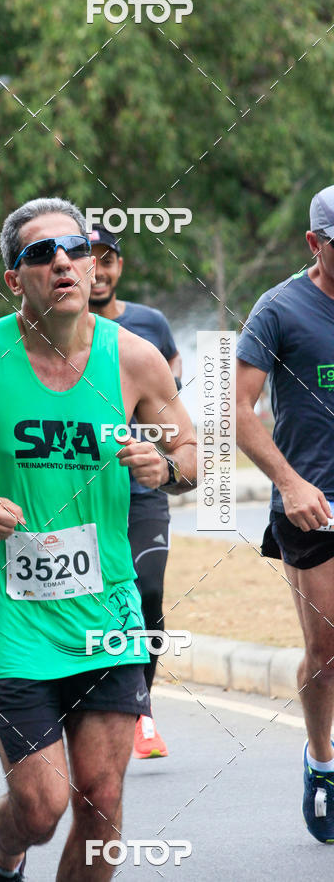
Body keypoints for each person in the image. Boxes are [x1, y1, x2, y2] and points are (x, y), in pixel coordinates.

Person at [0, 197, 196, 881]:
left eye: (76, 249)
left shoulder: (136, 358)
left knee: (103, 796)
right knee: (40, 807)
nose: (63, 262)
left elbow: (192, 451)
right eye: (40, 254)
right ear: (15, 278)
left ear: (94, 264)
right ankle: (1, 854)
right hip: (13, 619)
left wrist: (167, 466)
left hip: (107, 611)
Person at [236, 185, 334, 844]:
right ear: (314, 244)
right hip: (314, 503)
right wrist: (289, 482)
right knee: (327, 650)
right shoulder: (280, 309)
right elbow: (236, 409)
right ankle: (322, 762)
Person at [88, 224, 182, 760]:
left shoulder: (150, 324)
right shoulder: (62, 327)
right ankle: (100, 703)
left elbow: (171, 394)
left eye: (108, 260)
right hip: (81, 487)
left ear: (120, 266)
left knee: (146, 592)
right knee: (97, 595)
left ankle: (142, 708)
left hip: (141, 486)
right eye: (89, 260)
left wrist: (168, 458)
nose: (98, 271)